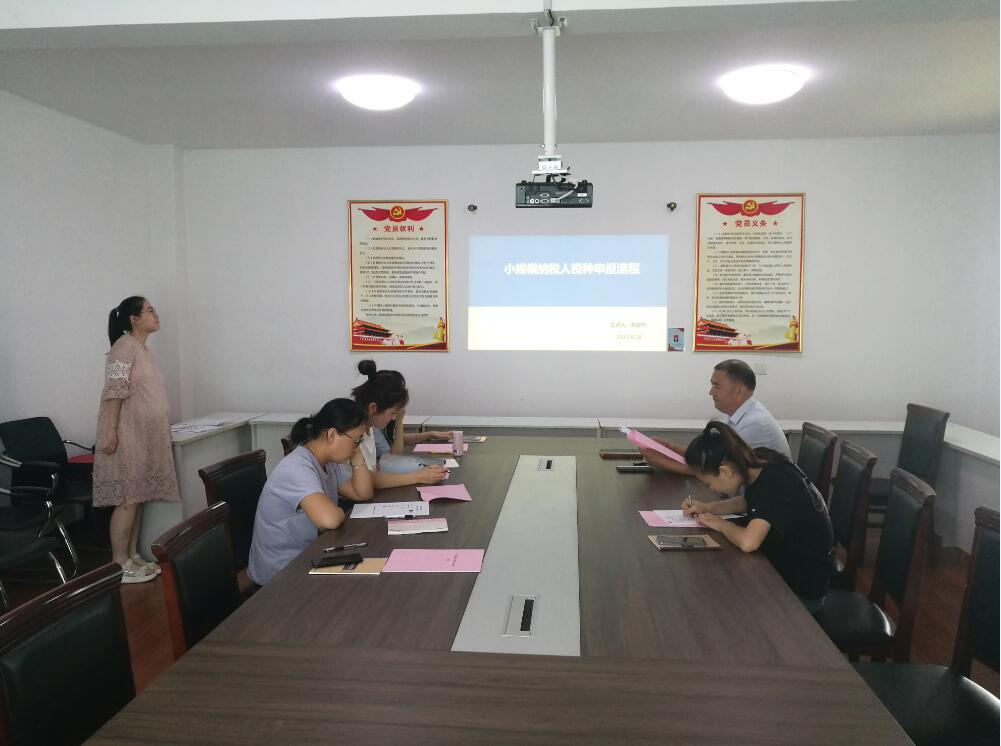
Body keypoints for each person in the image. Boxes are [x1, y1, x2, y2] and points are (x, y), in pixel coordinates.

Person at [682, 421, 834, 613]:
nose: (710, 489)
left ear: (725, 472)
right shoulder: (762, 462)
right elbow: (753, 501)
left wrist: (719, 524)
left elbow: (749, 542)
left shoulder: (774, 482)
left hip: (800, 592)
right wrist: (709, 507)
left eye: (708, 483)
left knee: (717, 602)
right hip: (784, 570)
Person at [93, 296, 180, 584]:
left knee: (138, 496)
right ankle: (119, 563)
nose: (156, 315)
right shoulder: (123, 347)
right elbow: (114, 390)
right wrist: (110, 431)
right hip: (127, 433)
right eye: (150, 311)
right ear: (134, 319)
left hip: (146, 435)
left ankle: (132, 555)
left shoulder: (143, 350)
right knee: (128, 498)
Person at [247, 398, 372, 586]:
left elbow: (362, 493)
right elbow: (329, 520)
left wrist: (357, 454)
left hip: (307, 556)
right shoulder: (296, 468)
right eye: (356, 440)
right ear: (331, 435)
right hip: (279, 575)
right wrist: (338, 511)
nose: (357, 446)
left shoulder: (327, 462)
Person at [639, 358, 790, 474]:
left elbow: (719, 472)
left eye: (716, 386)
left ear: (739, 391)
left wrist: (663, 462)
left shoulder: (754, 424)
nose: (711, 392)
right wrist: (668, 447)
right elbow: (711, 457)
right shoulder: (736, 416)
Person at [344, 360, 448, 489]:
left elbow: (373, 473)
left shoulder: (368, 429)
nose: (394, 417)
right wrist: (418, 476)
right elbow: (367, 478)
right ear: (373, 408)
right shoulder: (351, 434)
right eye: (393, 413)